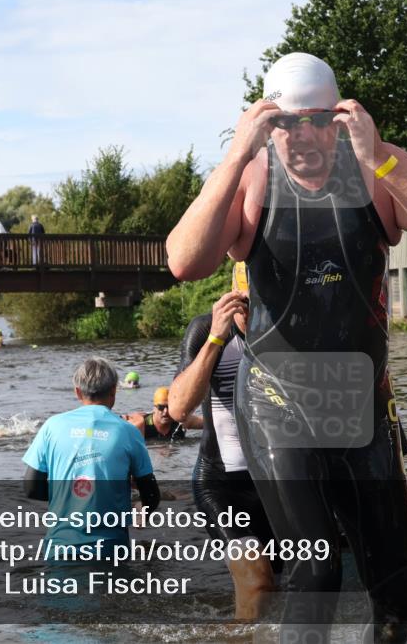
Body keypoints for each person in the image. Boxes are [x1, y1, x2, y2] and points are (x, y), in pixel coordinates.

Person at [165, 52, 407, 641]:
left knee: (398, 597)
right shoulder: (252, 176)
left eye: (315, 120)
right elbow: (183, 260)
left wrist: (380, 159)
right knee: (318, 568)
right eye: (285, 124)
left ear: (338, 117)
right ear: (267, 123)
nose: (301, 136)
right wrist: (237, 152)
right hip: (279, 407)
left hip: (361, 406)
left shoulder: (377, 169)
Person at [170, 265, 280, 620]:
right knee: (257, 580)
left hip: (280, 482)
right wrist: (217, 338)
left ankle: (238, 632)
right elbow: (179, 407)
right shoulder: (205, 329)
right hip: (222, 482)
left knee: (279, 589)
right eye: (246, 300)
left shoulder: (288, 327)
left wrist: (260, 340)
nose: (251, 309)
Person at [22, 357, 160, 554]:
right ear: (114, 390)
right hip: (111, 548)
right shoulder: (129, 431)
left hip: (60, 547)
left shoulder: (52, 426)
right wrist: (139, 509)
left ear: (77, 392)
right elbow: (152, 495)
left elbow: (31, 488)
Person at [125, 387, 203, 442]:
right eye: (161, 407)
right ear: (154, 408)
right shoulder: (141, 424)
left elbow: (209, 423)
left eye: (168, 407)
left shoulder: (181, 422)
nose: (165, 411)